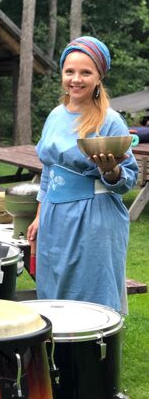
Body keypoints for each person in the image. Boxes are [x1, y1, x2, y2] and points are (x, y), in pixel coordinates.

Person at [27, 36, 138, 315]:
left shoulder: (110, 120)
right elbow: (49, 170)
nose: (76, 79)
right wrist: (40, 215)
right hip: (54, 218)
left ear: (99, 77)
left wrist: (110, 170)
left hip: (93, 219)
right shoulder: (55, 115)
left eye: (85, 72)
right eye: (70, 71)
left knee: (91, 298)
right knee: (54, 294)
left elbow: (127, 180)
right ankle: (57, 344)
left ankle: (96, 343)